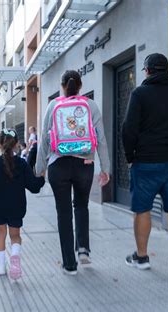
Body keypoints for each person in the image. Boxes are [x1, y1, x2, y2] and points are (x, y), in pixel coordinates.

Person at [122, 53, 168, 281]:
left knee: (142, 209)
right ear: (166, 70)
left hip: (147, 162)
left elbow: (128, 129)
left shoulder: (140, 94)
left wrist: (129, 156)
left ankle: (142, 257)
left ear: (147, 71)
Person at [36, 70, 110, 275]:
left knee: (63, 212)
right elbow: (101, 138)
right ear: (80, 85)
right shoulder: (90, 105)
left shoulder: (53, 105)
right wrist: (106, 168)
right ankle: (83, 249)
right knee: (81, 205)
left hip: (58, 165)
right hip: (84, 163)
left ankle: (69, 264)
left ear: (62, 86)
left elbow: (44, 139)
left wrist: (39, 168)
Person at [0, 129, 45, 279]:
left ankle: (1, 266)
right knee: (15, 236)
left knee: (1, 234)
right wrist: (41, 178)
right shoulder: (22, 164)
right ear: (16, 145)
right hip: (16, 207)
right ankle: (15, 256)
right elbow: (33, 186)